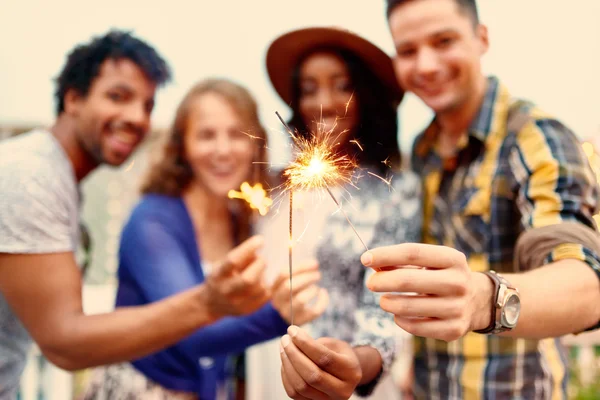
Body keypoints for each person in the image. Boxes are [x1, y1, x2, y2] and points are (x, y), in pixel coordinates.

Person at [0, 30, 274, 400]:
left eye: (147, 105)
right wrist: (213, 303)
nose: (136, 117)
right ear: (73, 98)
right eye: (118, 96)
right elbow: (63, 342)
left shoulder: (58, 181)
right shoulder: (31, 176)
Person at [357, 0, 600, 398]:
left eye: (444, 40)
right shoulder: (422, 150)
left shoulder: (535, 136)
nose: (427, 65)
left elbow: (587, 288)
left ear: (481, 38)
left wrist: (483, 299)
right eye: (408, 50)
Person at [81, 78, 328, 400]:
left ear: (256, 144)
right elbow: (195, 334)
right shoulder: (152, 221)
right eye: (206, 135)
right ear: (182, 146)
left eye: (237, 135)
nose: (223, 150)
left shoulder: (239, 218)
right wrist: (278, 314)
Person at [262, 27, 422, 399]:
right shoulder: (274, 189)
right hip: (267, 372)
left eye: (342, 86)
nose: (324, 103)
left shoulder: (394, 192)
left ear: (365, 96)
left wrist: (351, 364)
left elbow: (388, 309)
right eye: (309, 89)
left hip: (345, 380)